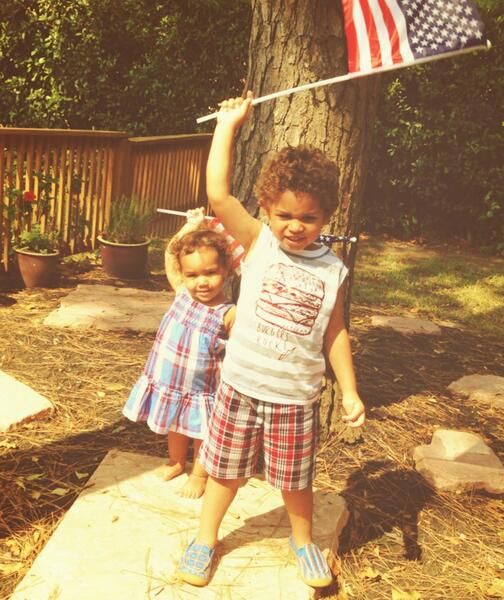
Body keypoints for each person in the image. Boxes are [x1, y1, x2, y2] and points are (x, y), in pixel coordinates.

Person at [177, 91, 365, 587]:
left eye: (309, 218)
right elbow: (219, 195)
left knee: (296, 480)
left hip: (295, 397)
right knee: (224, 472)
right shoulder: (258, 241)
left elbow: (335, 331)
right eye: (284, 215)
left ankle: (303, 542)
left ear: (327, 216)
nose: (295, 226)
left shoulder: (333, 270)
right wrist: (227, 126)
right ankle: (205, 538)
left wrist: (349, 390)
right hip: (240, 388)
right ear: (266, 207)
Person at [123, 212, 235, 498]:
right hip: (170, 382)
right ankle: (175, 462)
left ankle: (199, 473)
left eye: (210, 273)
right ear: (183, 275)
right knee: (176, 424)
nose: (201, 282)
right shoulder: (182, 292)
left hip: (202, 390)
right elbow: (170, 254)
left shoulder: (228, 313)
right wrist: (190, 226)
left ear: (226, 270)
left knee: (201, 432)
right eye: (192, 275)